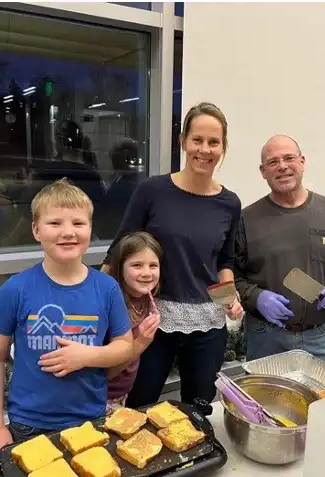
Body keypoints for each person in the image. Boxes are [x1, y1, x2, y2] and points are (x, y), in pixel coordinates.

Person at [104, 102, 244, 408]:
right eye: (197, 140)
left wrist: (229, 299)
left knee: (199, 408)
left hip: (208, 324)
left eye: (213, 142)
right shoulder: (152, 191)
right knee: (140, 405)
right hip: (151, 322)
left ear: (223, 148)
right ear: (183, 142)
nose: (204, 149)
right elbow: (118, 250)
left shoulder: (230, 203)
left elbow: (223, 261)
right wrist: (99, 308)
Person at [0, 179, 133, 451]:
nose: (68, 232)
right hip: (28, 423)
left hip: (89, 419)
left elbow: (125, 346)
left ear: (90, 229)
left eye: (78, 223)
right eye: (55, 223)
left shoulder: (107, 288)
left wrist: (87, 356)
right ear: (36, 230)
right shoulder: (15, 289)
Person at [234, 135, 325, 366]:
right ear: (263, 171)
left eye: (289, 158)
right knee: (265, 402)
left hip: (319, 336)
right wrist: (256, 298)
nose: (283, 166)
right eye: (273, 162)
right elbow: (231, 275)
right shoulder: (245, 220)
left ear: (302, 162)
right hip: (265, 337)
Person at [105, 231, 162, 415]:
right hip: (102, 396)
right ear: (120, 268)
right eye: (137, 265)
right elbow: (107, 373)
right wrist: (141, 342)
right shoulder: (112, 307)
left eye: (153, 265)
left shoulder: (147, 299)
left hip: (123, 393)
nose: (147, 273)